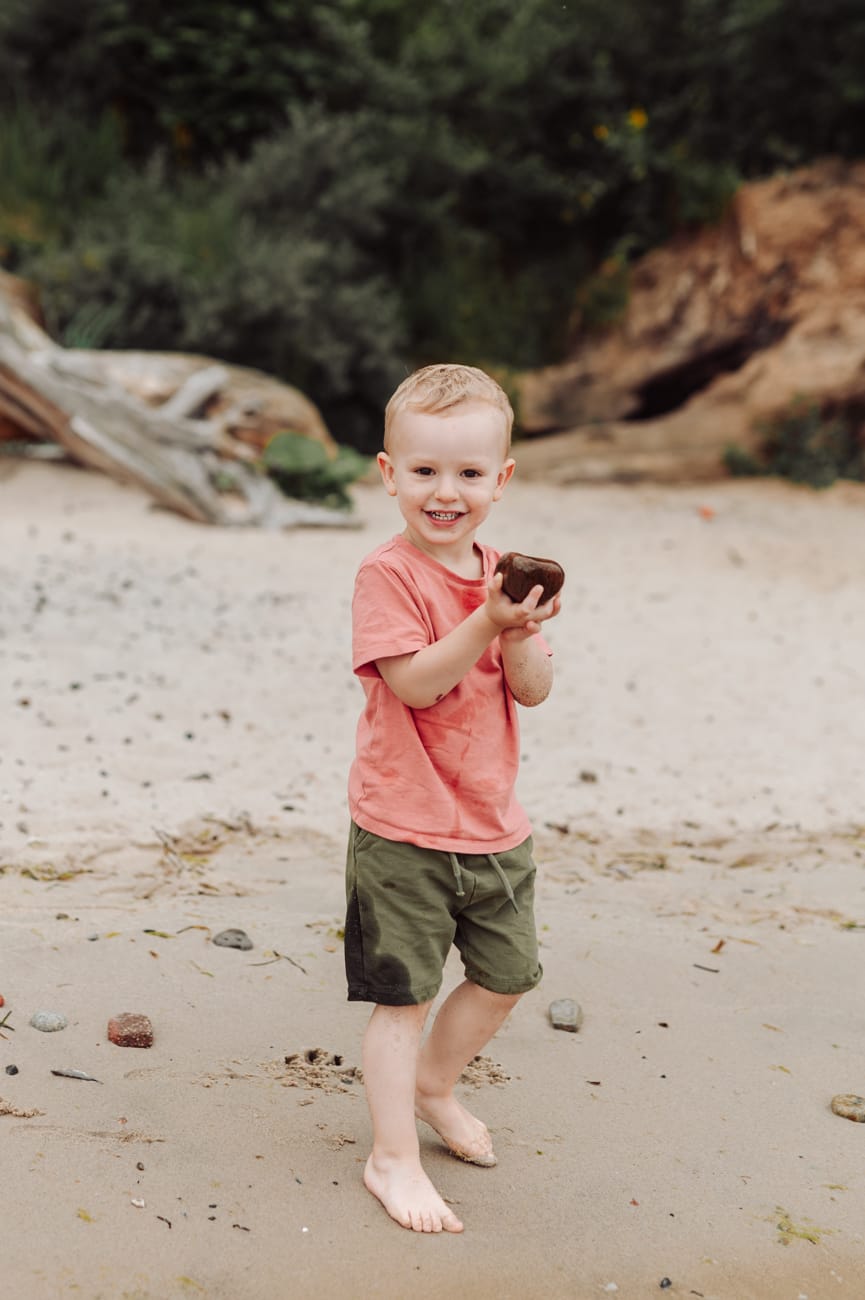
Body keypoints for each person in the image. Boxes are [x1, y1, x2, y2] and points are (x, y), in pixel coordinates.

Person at [345, 363, 561, 1234]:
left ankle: (436, 1085)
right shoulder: (386, 577)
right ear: (387, 472)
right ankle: (390, 1155)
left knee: (508, 976)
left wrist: (522, 632)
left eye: (468, 473)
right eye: (425, 471)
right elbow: (416, 684)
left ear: (500, 481)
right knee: (402, 998)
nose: (446, 492)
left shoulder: (505, 575)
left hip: (491, 824)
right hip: (402, 825)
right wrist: (484, 622)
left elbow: (533, 690)